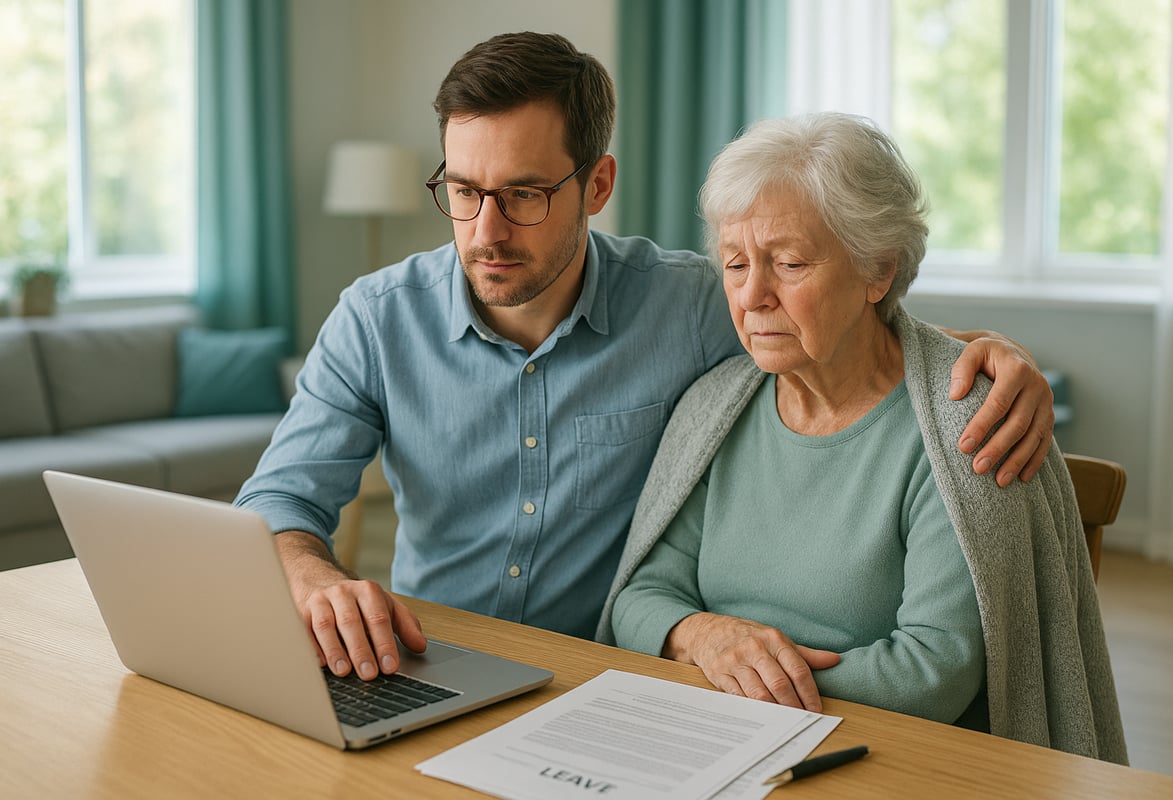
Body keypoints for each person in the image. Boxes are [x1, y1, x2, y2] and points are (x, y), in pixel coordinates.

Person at [234, 32, 1055, 684]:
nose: (486, 231)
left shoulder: (689, 304)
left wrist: (990, 355)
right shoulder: (376, 319)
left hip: (605, 682)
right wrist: (313, 578)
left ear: (597, 185)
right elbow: (278, 500)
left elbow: (833, 312)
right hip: (428, 665)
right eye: (463, 191)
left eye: (524, 194)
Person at [595, 113, 1126, 764]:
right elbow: (642, 597)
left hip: (884, 756)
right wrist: (705, 637)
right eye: (735, 263)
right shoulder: (715, 406)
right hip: (709, 737)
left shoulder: (966, 426)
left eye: (789, 262)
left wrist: (752, 681)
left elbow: (933, 670)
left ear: (878, 270)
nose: (753, 294)